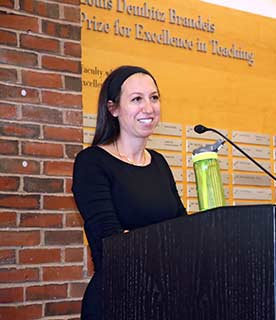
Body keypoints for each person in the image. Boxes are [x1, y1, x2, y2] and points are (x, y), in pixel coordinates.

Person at [72, 66, 186, 319]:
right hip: (117, 301)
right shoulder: (92, 162)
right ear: (113, 109)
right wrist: (167, 246)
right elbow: (111, 244)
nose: (149, 107)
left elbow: (182, 230)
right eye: (137, 99)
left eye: (154, 97)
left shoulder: (159, 162)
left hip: (164, 299)